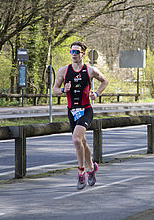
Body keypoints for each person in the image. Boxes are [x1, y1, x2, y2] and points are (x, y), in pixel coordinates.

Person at [53, 41, 108, 190]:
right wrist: (64, 90)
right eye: (72, 52)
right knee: (82, 142)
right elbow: (54, 90)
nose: (74, 55)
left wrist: (96, 93)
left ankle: (81, 172)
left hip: (86, 110)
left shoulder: (90, 70)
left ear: (83, 54)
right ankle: (92, 169)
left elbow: (105, 81)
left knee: (76, 139)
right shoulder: (64, 71)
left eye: (77, 52)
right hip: (72, 111)